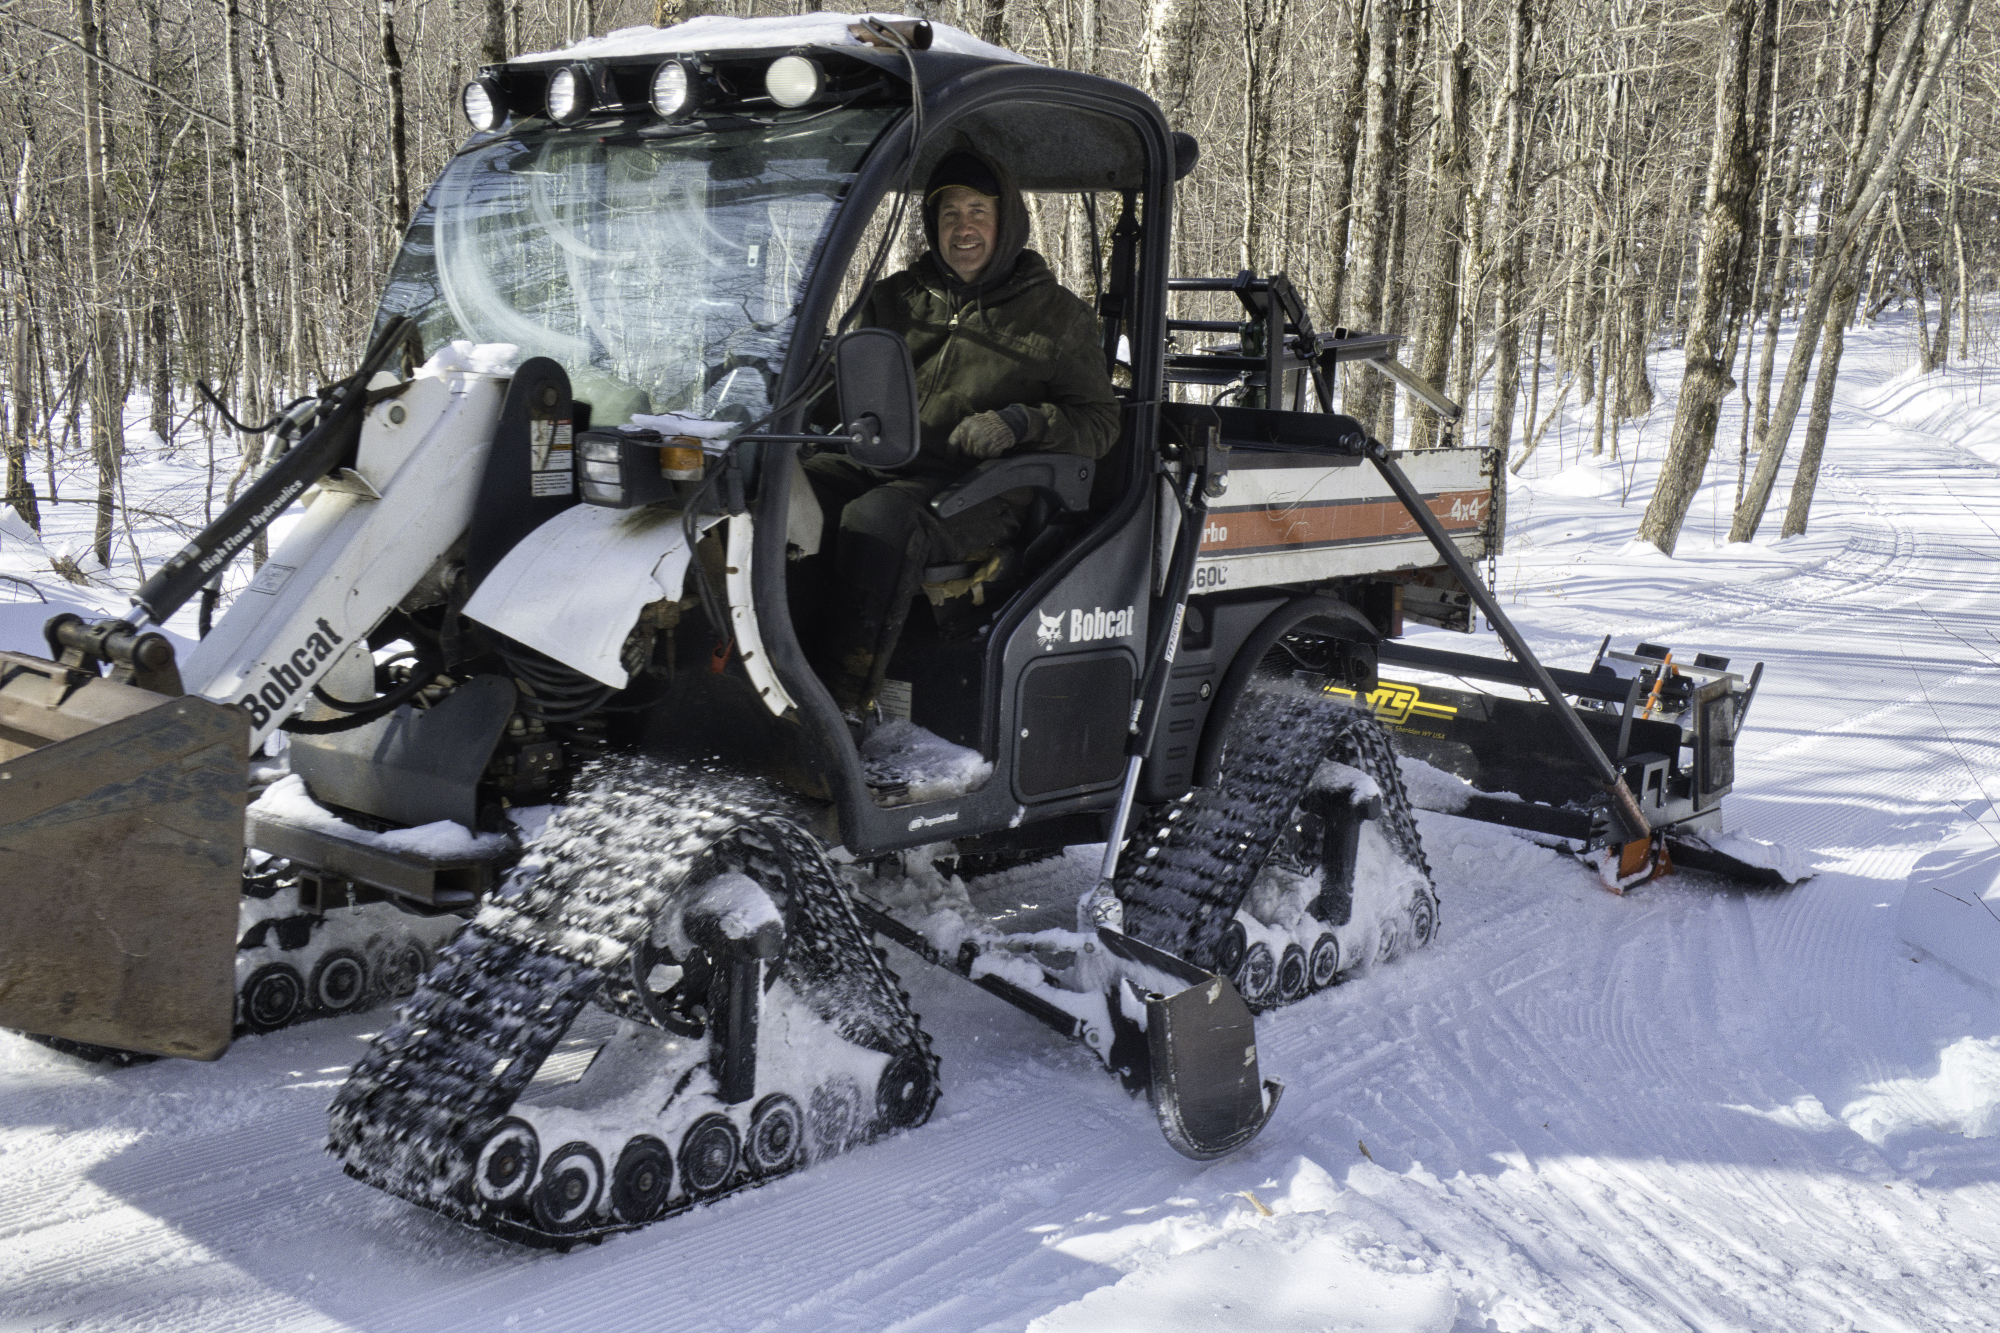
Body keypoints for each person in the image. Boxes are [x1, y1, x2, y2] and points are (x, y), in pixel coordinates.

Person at [804, 149, 1120, 719]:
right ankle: (772, 671)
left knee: (879, 520)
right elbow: (844, 382)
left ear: (1007, 223)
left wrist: (1020, 422)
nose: (963, 227)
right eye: (949, 213)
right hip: (879, 460)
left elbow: (1100, 422)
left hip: (980, 488)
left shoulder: (1057, 316)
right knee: (782, 493)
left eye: (978, 210)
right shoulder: (896, 299)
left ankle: (838, 707)